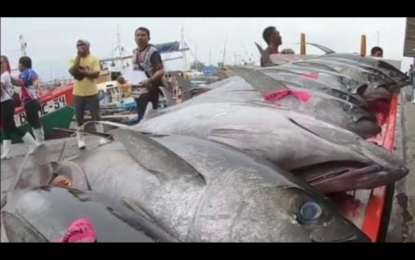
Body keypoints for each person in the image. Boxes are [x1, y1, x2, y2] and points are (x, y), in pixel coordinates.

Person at [68, 40, 107, 149]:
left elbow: (95, 74)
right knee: (79, 117)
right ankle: (81, 140)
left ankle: (102, 137)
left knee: (96, 116)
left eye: (83, 45)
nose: (80, 48)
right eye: (78, 46)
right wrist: (78, 58)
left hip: (92, 92)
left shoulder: (94, 59)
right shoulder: (73, 59)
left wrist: (82, 72)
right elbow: (72, 72)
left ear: (88, 46)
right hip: (78, 93)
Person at [1, 56, 41, 159]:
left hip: (9, 102)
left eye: (1, 62)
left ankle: (34, 143)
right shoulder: (6, 75)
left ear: (5, 64)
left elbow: (19, 83)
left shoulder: (6, 75)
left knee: (13, 127)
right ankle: (6, 152)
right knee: (6, 128)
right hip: (11, 102)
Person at [131, 27, 165, 123]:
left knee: (149, 118)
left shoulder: (153, 52)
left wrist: (150, 80)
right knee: (141, 116)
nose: (140, 37)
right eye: (137, 35)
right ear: (134, 38)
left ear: (148, 38)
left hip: (150, 90)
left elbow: (160, 71)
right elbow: (134, 69)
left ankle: (148, 136)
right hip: (138, 91)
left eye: (143, 35)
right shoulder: (135, 52)